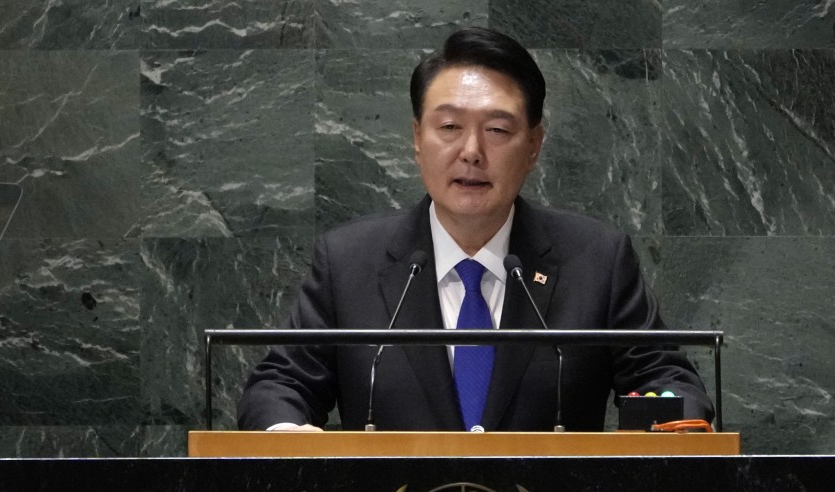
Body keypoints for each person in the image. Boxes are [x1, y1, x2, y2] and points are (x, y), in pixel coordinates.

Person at [238, 27, 713, 432]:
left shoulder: (597, 261)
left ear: (534, 146)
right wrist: (289, 437)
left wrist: (666, 423)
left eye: (497, 130)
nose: (471, 152)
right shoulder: (348, 262)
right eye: (449, 127)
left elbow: (665, 380)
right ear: (417, 139)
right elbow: (281, 385)